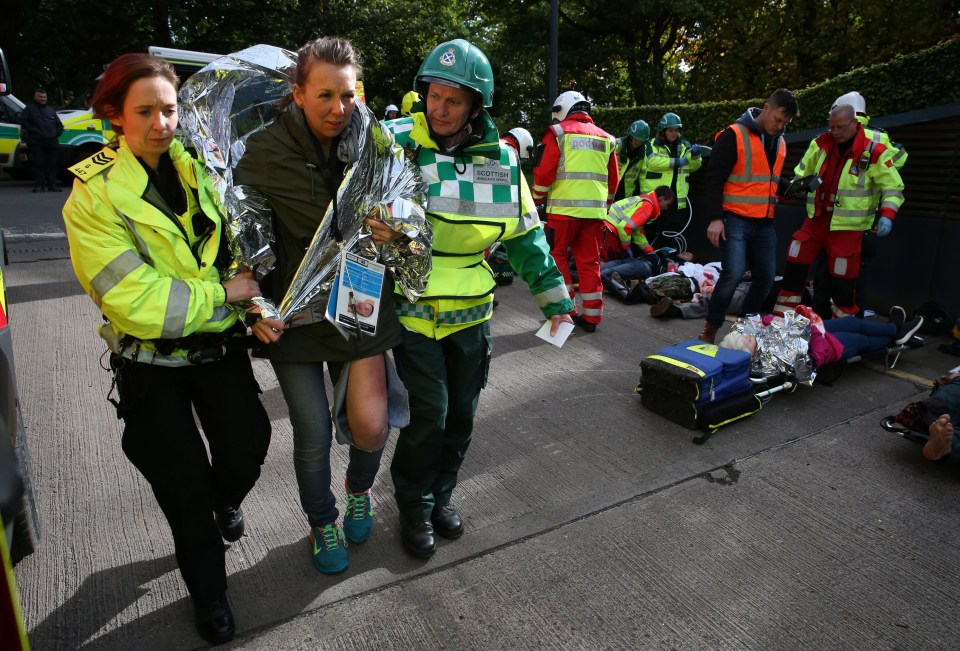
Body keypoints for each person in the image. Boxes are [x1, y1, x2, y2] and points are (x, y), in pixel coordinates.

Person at [62, 53, 271, 645]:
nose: (161, 123)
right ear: (114, 116)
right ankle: (210, 595)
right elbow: (133, 300)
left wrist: (254, 298)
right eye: (145, 111)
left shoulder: (203, 170)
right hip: (150, 366)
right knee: (182, 488)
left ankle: (222, 501)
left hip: (220, 352)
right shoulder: (92, 195)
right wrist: (224, 294)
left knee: (249, 446)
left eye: (169, 110)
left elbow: (235, 248)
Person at [384, 38, 573, 559]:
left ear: (476, 106)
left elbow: (527, 238)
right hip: (413, 307)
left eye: (453, 100)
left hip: (472, 312)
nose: (439, 110)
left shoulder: (503, 163)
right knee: (431, 414)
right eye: (433, 96)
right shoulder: (394, 142)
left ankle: (442, 495)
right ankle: (414, 506)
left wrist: (554, 300)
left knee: (462, 415)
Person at [233, 36, 407, 576]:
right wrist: (253, 304)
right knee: (311, 432)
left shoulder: (376, 144)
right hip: (296, 316)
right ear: (299, 93)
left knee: (372, 426)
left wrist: (395, 231)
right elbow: (240, 240)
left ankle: (360, 489)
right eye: (326, 95)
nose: (339, 109)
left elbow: (410, 211)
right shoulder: (263, 151)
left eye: (349, 96)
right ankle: (322, 520)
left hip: (359, 304)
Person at [772, 103, 905, 319]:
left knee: (844, 279)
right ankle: (781, 320)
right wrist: (781, 194)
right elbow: (801, 175)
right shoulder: (821, 144)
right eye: (832, 127)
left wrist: (888, 215)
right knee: (796, 257)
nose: (835, 132)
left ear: (854, 123)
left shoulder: (873, 151)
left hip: (848, 228)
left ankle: (843, 328)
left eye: (840, 127)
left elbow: (892, 187)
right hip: (817, 220)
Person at [700, 88, 800, 344]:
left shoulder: (780, 142)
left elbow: (769, 180)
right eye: (778, 119)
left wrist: (794, 188)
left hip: (764, 223)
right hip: (734, 219)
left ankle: (744, 327)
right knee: (732, 273)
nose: (780, 126)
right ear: (766, 108)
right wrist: (715, 218)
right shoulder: (733, 135)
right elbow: (714, 179)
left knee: (766, 278)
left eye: (785, 123)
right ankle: (712, 326)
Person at [810, 91, 909, 318]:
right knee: (852, 278)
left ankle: (823, 316)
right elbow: (900, 160)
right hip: (862, 222)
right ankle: (849, 318)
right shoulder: (880, 137)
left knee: (828, 273)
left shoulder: (836, 136)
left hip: (833, 221)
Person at [533, 90, 618, 333]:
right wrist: (605, 206)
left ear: (562, 109)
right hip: (595, 215)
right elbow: (613, 180)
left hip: (563, 212)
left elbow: (544, 172)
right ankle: (592, 317)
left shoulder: (558, 133)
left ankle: (567, 311)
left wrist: (536, 198)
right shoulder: (607, 139)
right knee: (590, 262)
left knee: (558, 258)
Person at [600, 186, 674, 299]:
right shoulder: (647, 206)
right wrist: (626, 248)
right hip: (609, 232)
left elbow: (637, 231)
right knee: (600, 267)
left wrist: (649, 250)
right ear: (662, 198)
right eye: (667, 204)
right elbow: (625, 227)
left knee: (601, 268)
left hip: (606, 228)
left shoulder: (645, 200)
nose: (666, 208)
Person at [640, 112, 703, 243]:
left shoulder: (685, 144)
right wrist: (675, 162)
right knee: (650, 232)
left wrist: (696, 156)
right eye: (670, 130)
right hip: (656, 198)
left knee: (671, 234)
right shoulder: (652, 144)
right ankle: (648, 258)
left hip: (676, 198)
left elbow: (693, 167)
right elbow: (652, 162)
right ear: (663, 131)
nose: (674, 133)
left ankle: (669, 259)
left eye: (676, 130)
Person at [20, 86, 63, 192]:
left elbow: (59, 125)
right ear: (35, 97)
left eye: (44, 97)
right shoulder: (29, 109)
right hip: (37, 142)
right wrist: (34, 132)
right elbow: (24, 122)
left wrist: (56, 133)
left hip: (52, 142)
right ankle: (39, 185)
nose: (42, 99)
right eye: (40, 97)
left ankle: (52, 185)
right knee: (39, 164)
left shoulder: (51, 110)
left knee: (52, 164)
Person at [615, 119, 649, 200]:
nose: (637, 142)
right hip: (612, 187)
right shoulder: (617, 145)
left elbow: (643, 174)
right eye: (636, 139)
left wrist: (644, 193)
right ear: (631, 136)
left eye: (640, 141)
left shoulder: (643, 152)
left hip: (627, 193)